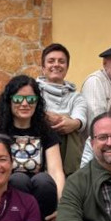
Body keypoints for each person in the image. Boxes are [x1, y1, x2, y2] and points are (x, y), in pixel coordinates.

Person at [0, 75, 65, 221]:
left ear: (37, 102)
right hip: (6, 192)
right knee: (18, 179)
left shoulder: (46, 132)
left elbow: (56, 171)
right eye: (18, 98)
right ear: (9, 101)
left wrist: (62, 206)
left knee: (45, 180)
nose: (25, 104)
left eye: (31, 99)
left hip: (40, 193)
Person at [38, 43, 88, 176]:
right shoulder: (32, 91)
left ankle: (68, 176)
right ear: (43, 68)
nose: (56, 65)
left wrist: (72, 123)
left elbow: (80, 119)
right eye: (51, 61)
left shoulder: (76, 97)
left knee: (71, 126)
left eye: (61, 61)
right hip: (38, 145)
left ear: (67, 67)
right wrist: (44, 116)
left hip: (68, 148)